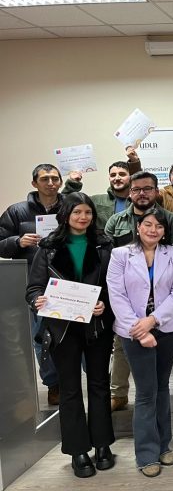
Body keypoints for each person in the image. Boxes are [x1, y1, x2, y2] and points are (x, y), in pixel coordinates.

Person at [25, 193, 116, 478]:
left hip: (96, 326)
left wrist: (106, 304)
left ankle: (102, 445)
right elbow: (33, 288)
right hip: (62, 329)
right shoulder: (48, 247)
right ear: (66, 215)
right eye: (77, 212)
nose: (83, 217)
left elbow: (116, 286)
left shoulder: (104, 246)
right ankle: (78, 450)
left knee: (100, 385)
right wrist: (37, 300)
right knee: (70, 389)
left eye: (88, 212)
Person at [106, 209, 173, 477]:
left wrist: (153, 321)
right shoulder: (120, 255)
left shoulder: (172, 254)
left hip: (167, 327)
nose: (153, 230)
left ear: (165, 231)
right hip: (132, 330)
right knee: (145, 392)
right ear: (138, 226)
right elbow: (116, 294)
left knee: (162, 387)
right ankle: (147, 454)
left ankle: (164, 445)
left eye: (159, 226)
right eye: (148, 224)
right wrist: (140, 330)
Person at [105, 171, 173, 411]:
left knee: (159, 382)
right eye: (137, 189)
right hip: (127, 305)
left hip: (162, 307)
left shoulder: (169, 219)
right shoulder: (116, 221)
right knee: (121, 349)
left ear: (156, 191)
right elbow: (108, 261)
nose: (142, 193)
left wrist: (154, 318)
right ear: (130, 192)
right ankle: (118, 393)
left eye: (147, 188)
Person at [0, 163, 67, 404]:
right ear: (34, 183)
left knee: (75, 334)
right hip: (36, 283)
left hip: (67, 281)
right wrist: (18, 241)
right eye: (45, 179)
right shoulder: (17, 211)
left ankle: (82, 383)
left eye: (54, 178)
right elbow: (0, 242)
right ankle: (53, 384)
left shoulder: (70, 206)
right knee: (42, 337)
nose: (50, 183)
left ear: (60, 181)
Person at [62, 146, 143, 233]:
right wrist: (73, 182)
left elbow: (142, 182)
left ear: (130, 177)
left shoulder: (140, 200)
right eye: (113, 175)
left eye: (122, 174)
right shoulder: (97, 201)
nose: (117, 178)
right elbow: (65, 201)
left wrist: (135, 164)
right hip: (105, 245)